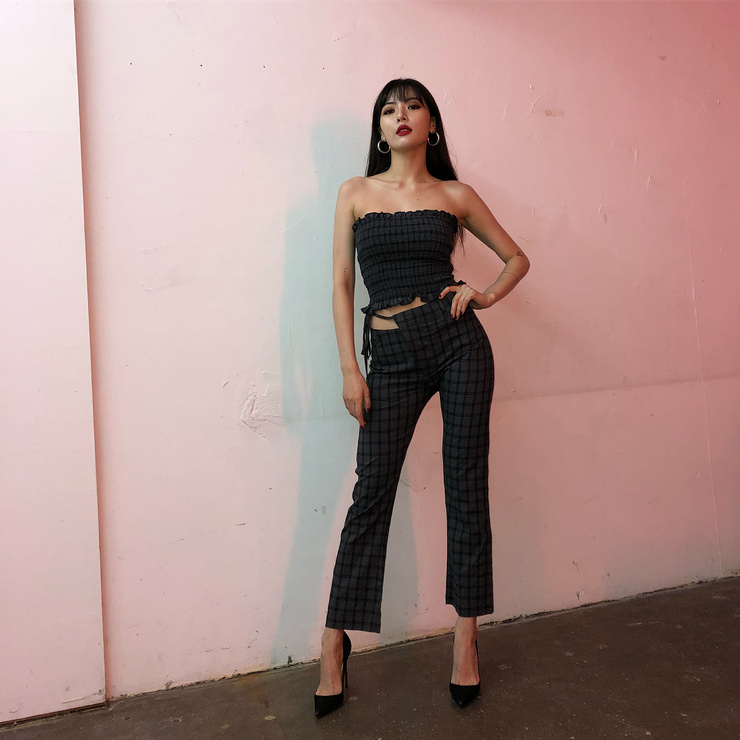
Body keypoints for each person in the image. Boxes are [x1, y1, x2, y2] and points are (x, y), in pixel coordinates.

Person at [314, 78, 530, 717]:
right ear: (379, 129)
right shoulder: (355, 193)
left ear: (431, 124)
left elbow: (516, 258)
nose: (401, 115)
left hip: (458, 343)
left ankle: (466, 638)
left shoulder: (455, 195)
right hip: (390, 354)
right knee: (371, 492)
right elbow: (341, 282)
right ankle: (334, 641)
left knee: (466, 487)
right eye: (389, 109)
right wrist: (350, 369)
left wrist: (483, 295)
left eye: (413, 106)